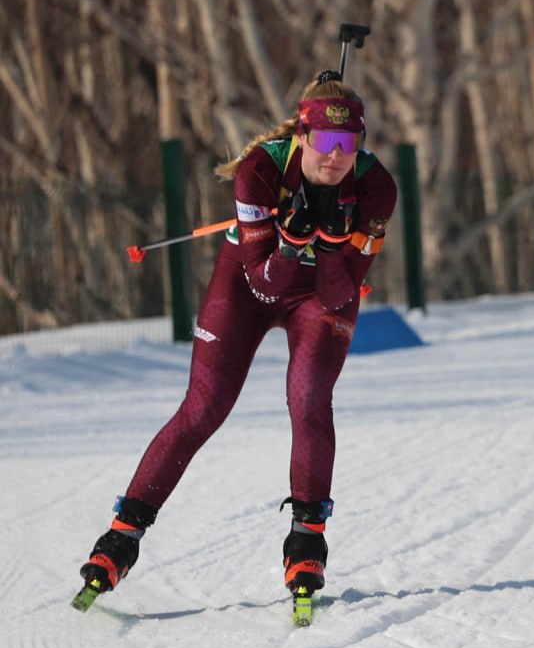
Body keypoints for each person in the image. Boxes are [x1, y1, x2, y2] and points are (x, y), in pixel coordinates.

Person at [75, 70, 398, 607]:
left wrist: (337, 242)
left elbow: (342, 295)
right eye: (325, 141)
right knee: (204, 408)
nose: (336, 155)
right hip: (248, 283)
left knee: (309, 397)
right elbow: (262, 281)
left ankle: (307, 539)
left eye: (349, 143)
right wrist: (292, 242)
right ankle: (121, 535)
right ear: (302, 135)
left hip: (320, 294)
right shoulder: (260, 170)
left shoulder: (375, 186)